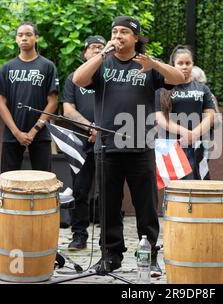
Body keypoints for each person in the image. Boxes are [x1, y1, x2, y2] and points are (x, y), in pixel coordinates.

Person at [72, 16, 184, 275]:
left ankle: (150, 255)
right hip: (107, 147)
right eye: (114, 31)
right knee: (108, 205)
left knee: (146, 205)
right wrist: (102, 55)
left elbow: (178, 78)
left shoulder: (146, 65)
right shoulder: (103, 63)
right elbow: (78, 79)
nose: (118, 35)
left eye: (124, 32)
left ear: (136, 38)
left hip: (140, 146)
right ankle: (110, 256)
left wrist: (153, 63)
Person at [61, 35, 106, 250]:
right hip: (80, 142)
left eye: (101, 47)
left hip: (107, 142)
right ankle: (79, 235)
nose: (97, 51)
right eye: (93, 48)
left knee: (109, 190)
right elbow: (68, 109)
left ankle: (108, 239)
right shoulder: (74, 79)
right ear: (84, 53)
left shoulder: (111, 76)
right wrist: (90, 127)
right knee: (80, 190)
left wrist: (101, 128)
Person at [0, 21, 59, 173]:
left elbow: (52, 102)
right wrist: (17, 133)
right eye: (20, 35)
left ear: (36, 38)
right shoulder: (6, 68)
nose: (24, 38)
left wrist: (34, 130)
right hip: (12, 134)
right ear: (16, 39)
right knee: (8, 181)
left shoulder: (47, 66)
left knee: (43, 181)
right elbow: (1, 104)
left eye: (28, 34)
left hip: (40, 134)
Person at [155, 48, 215, 180]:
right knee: (175, 189)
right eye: (180, 63)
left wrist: (194, 134)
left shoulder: (202, 89)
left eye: (188, 63)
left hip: (197, 144)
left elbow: (210, 116)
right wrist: (184, 132)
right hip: (171, 145)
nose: (184, 67)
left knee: (197, 184)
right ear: (173, 65)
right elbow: (160, 119)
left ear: (193, 64)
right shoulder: (162, 89)